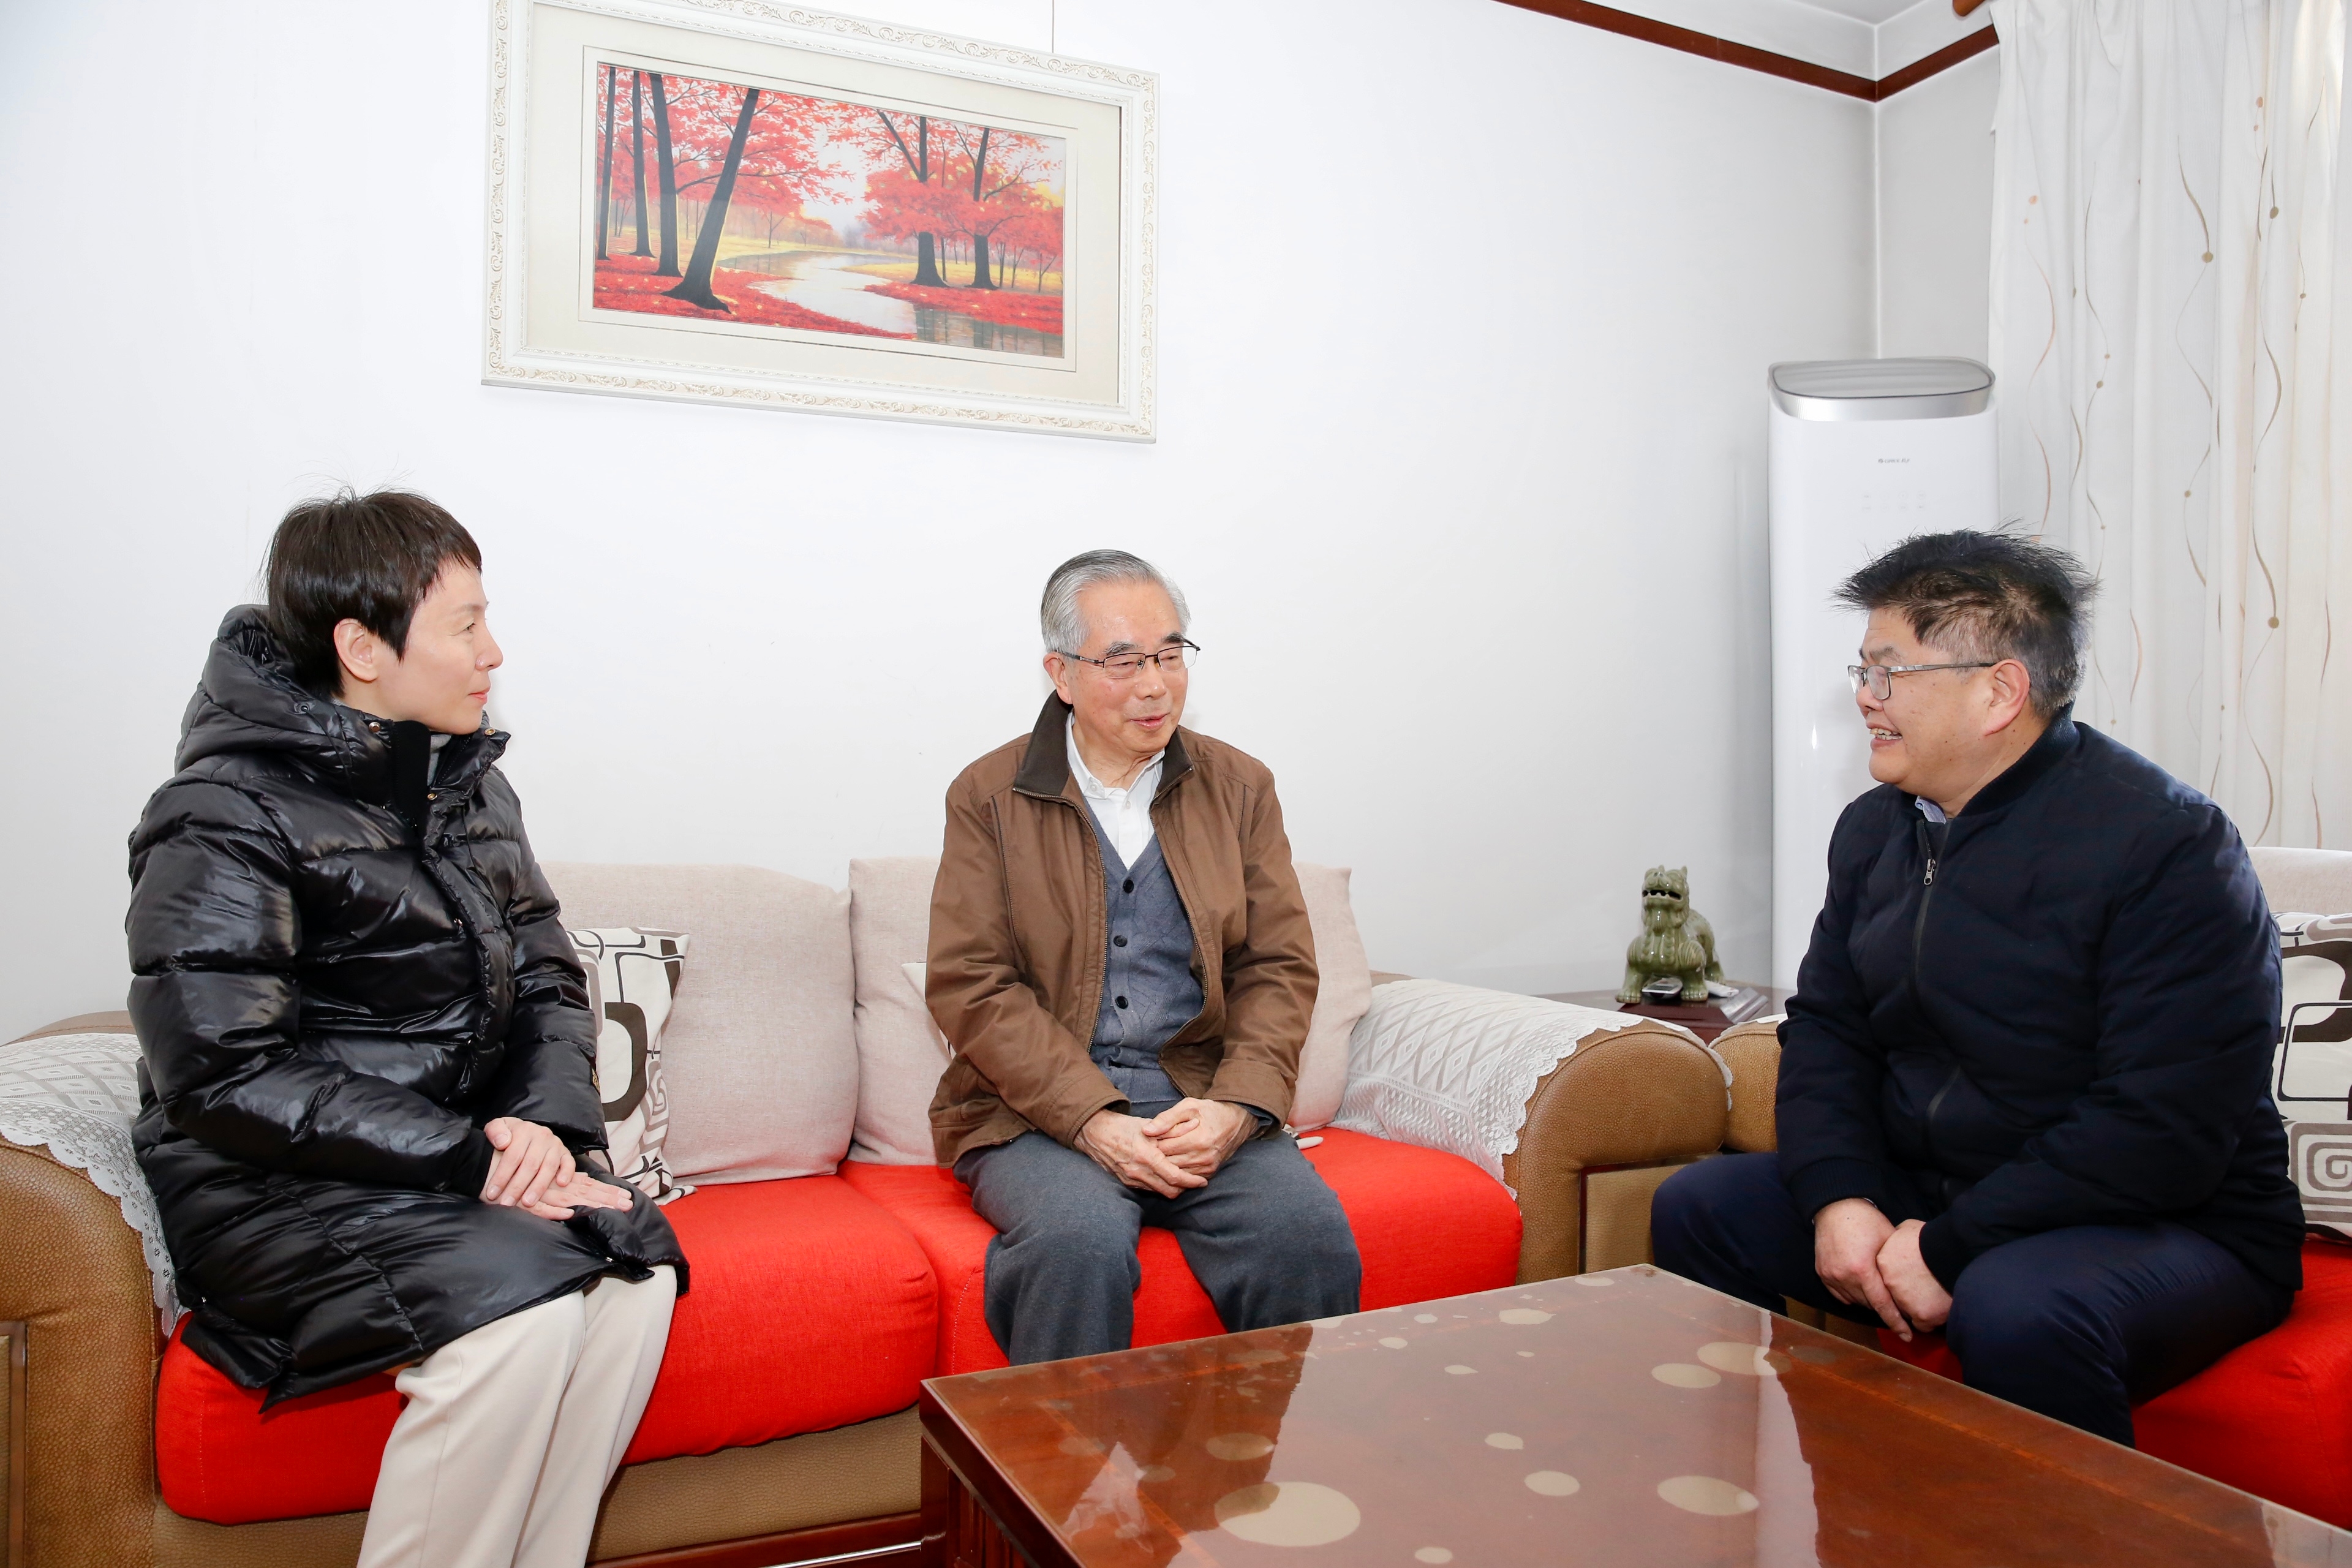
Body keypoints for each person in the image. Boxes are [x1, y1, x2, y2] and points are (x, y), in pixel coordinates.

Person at [127, 491, 687, 1568]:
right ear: (362, 649)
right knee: (521, 1319)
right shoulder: (219, 813)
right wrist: (471, 1159)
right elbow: (222, 1073)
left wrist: (539, 1130)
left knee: (632, 1271)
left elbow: (548, 980)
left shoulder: (471, 787)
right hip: (270, 1181)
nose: (493, 653)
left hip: (437, 1168)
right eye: (466, 625)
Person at [1653, 529, 2302, 1447]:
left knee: (2017, 1304)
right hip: (1941, 1189)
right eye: (1864, 670)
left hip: (2167, 1218)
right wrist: (1842, 1198)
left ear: (2000, 691)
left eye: (1889, 672)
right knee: (1701, 1207)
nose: (1865, 696)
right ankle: (1776, 1492)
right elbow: (1830, 1031)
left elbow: (2165, 1124)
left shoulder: (2167, 845)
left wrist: (1949, 1245)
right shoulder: (1873, 831)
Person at [925, 549, 1362, 1364]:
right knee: (1076, 1245)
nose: (1156, 685)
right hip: (1035, 1115)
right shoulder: (989, 796)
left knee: (1306, 1237)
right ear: (1061, 673)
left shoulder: (1241, 789)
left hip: (1202, 1097)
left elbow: (1277, 968)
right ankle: (1064, 1455)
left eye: (1170, 655)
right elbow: (972, 985)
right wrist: (1090, 1118)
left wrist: (1237, 1108)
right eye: (1124, 662)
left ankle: (1270, 1449)